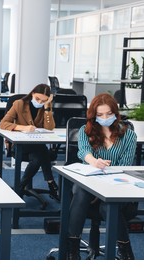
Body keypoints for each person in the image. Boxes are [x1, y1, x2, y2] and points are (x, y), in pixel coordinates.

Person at [66, 93, 137, 260]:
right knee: (82, 192)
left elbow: (124, 166)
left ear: (115, 113)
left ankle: (125, 252)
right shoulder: (86, 130)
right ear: (93, 115)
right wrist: (93, 161)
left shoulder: (129, 136)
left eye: (108, 114)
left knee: (108, 205)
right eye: (100, 115)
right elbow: (83, 151)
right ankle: (72, 252)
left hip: (115, 187)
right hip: (89, 186)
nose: (105, 117)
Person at [0, 83, 59, 205]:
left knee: (38, 157)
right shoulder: (19, 104)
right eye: (37, 99)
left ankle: (20, 188)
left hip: (36, 147)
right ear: (32, 94)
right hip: (20, 147)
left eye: (43, 100)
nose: (39, 102)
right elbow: (3, 124)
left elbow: (50, 127)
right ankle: (50, 182)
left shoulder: (45, 106)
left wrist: (47, 107)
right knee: (43, 154)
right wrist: (23, 127)